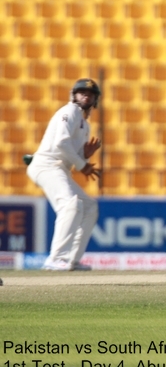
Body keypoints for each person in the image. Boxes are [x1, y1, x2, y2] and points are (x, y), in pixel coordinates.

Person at [27, 78, 102, 271]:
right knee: (71, 204)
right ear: (74, 95)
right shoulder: (70, 111)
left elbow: (70, 155)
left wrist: (83, 156)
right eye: (82, 92)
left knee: (89, 206)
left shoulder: (85, 126)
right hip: (46, 165)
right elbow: (61, 143)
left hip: (59, 169)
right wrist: (83, 164)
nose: (86, 95)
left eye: (90, 94)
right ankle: (56, 258)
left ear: (95, 100)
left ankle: (71, 260)